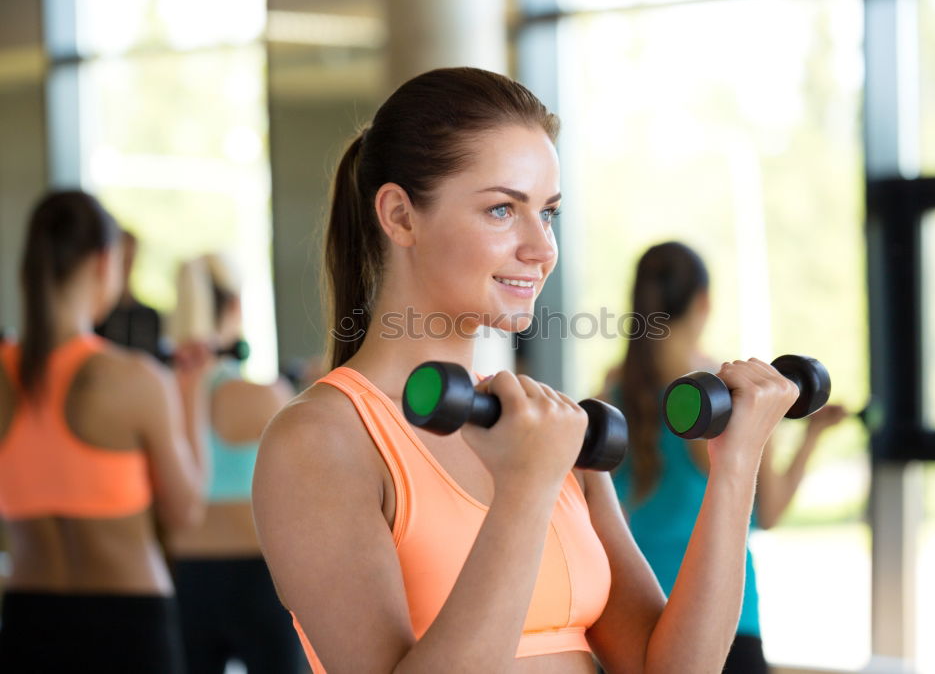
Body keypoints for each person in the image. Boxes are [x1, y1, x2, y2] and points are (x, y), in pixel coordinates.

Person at [251, 67, 801, 673]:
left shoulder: (543, 424)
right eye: (500, 210)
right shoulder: (320, 441)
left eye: (548, 213)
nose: (541, 249)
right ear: (401, 216)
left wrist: (735, 467)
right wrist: (525, 490)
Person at [611, 241, 848, 674]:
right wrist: (811, 437)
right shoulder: (735, 397)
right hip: (722, 620)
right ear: (703, 302)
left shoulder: (609, 396)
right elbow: (770, 512)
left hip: (631, 619)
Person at [0, 190, 205, 672]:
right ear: (104, 262)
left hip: (28, 621)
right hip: (128, 625)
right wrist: (189, 391)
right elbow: (184, 511)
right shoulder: (134, 379)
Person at [167, 254, 302, 673]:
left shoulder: (160, 393)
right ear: (233, 308)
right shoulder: (265, 396)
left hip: (185, 576)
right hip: (259, 578)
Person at [96, 229, 164, 359]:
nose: (126, 267)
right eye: (122, 260)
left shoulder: (150, 316)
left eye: (130, 259)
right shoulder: (98, 316)